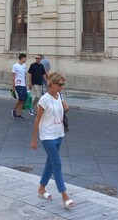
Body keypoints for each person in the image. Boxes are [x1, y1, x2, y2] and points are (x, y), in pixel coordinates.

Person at [30, 72, 74, 208]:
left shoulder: (59, 96)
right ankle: (65, 196)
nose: (62, 87)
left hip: (59, 134)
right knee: (57, 165)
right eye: (60, 84)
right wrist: (34, 139)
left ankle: (41, 188)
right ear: (52, 84)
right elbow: (37, 120)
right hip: (47, 136)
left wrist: (66, 108)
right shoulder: (44, 99)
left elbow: (62, 111)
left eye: (63, 84)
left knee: (50, 163)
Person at [11, 53, 28, 119]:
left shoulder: (24, 65)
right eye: (25, 58)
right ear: (21, 58)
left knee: (24, 99)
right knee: (21, 98)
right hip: (18, 84)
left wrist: (25, 84)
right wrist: (13, 86)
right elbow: (13, 76)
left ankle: (19, 113)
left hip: (23, 85)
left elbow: (24, 75)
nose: (26, 59)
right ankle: (14, 109)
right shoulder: (15, 66)